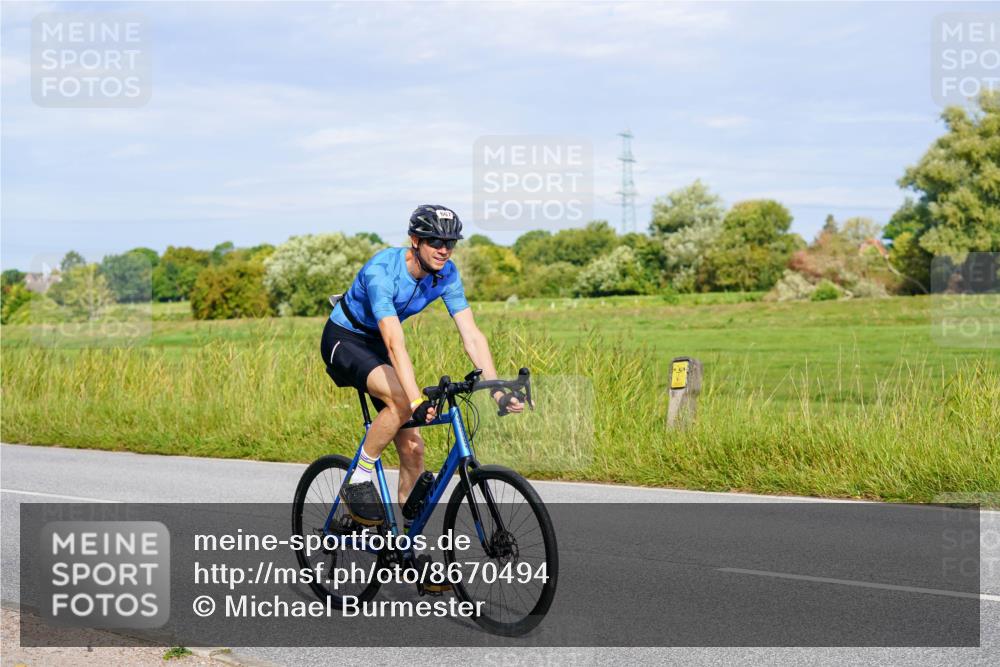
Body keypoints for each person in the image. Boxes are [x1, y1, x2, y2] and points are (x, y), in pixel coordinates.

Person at [320, 204, 523, 528]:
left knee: (414, 449)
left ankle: (405, 542)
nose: (444, 250)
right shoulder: (382, 272)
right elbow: (394, 343)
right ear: (415, 240)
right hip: (346, 339)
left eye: (450, 243)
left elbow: (471, 335)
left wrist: (496, 388)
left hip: (379, 345)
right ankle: (358, 479)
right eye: (435, 242)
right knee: (402, 401)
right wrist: (415, 400)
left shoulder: (447, 274)